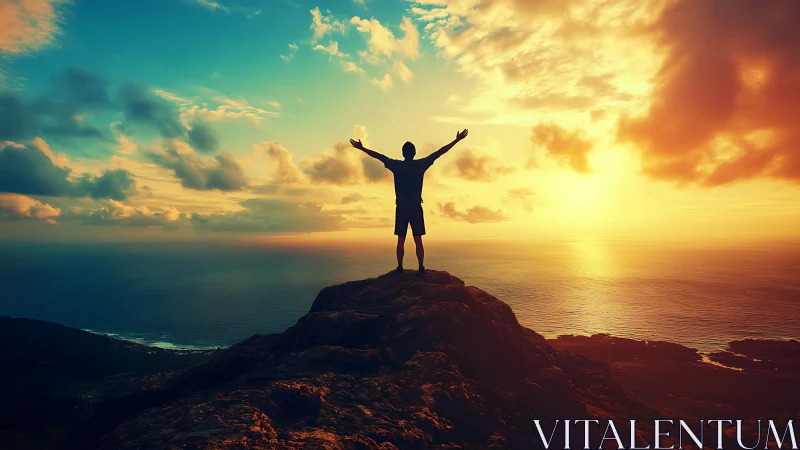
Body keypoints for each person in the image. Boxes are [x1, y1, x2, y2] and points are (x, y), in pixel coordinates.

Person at [350, 129, 469, 275]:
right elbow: (439, 153)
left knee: (401, 239)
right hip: (415, 207)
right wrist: (456, 140)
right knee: (418, 239)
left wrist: (362, 148)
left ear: (402, 153)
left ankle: (400, 267)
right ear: (414, 152)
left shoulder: (396, 166)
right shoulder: (420, 165)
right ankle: (420, 267)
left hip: (401, 207)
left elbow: (379, 156)